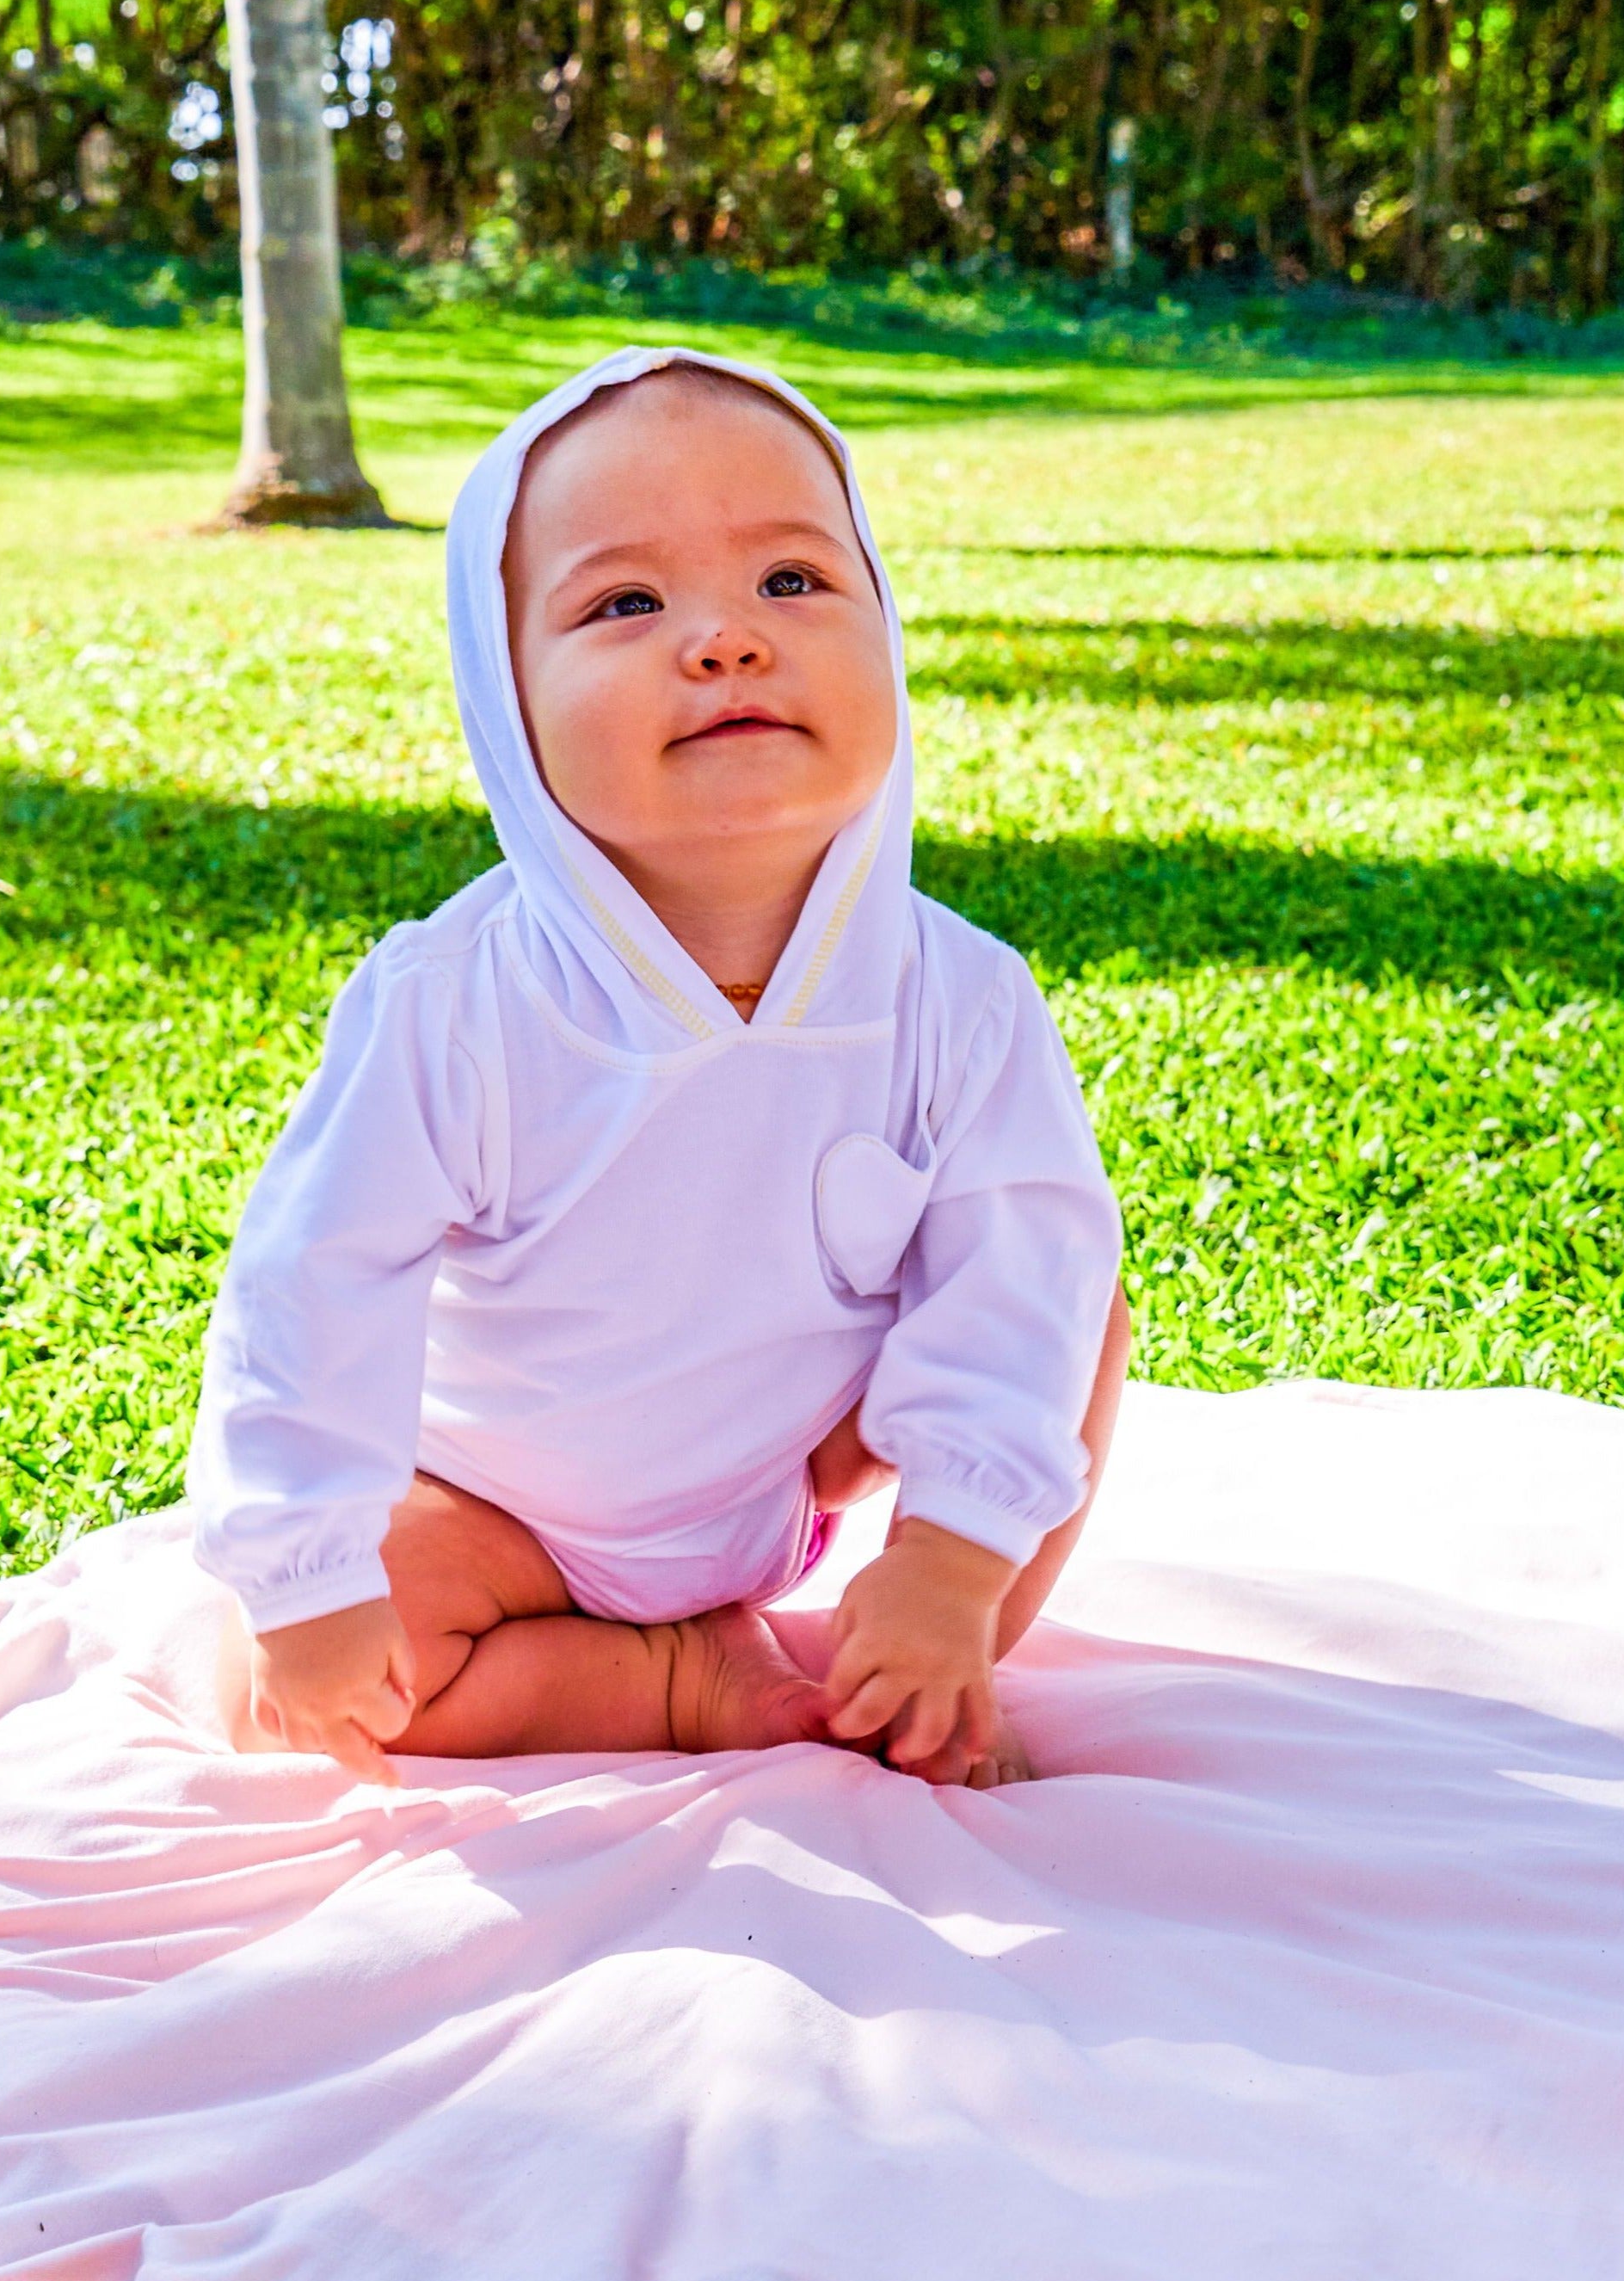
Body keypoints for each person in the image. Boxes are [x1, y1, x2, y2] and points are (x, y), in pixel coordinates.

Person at [191, 348, 1129, 1786]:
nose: (726, 641)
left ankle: (926, 1649)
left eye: (794, 584)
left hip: (793, 1475)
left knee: (1071, 1306)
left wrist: (953, 1547)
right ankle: (670, 1677)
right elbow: (311, 1277)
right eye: (627, 602)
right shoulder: (459, 1005)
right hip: (501, 1505)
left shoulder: (959, 997)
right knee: (294, 1683)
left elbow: (1017, 1272)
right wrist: (306, 1563)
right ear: (504, 702)